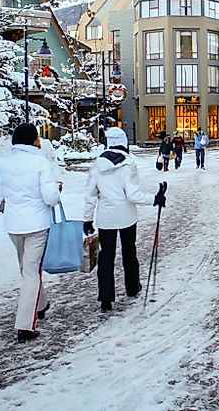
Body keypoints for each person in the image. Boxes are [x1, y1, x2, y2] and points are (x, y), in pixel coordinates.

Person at [0, 123, 61, 343]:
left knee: (27, 269)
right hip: (36, 225)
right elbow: (51, 198)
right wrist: (56, 190)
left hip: (13, 225)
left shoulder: (4, 165)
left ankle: (41, 304)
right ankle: (25, 325)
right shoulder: (40, 162)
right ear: (34, 140)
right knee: (31, 272)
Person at [83, 127, 167, 312]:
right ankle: (132, 286)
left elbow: (90, 195)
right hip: (127, 217)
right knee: (129, 252)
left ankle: (106, 297)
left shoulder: (97, 165)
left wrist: (87, 220)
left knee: (106, 256)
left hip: (106, 218)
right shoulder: (128, 164)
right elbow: (133, 195)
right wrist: (155, 199)